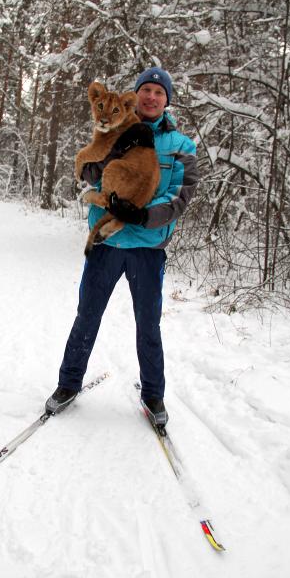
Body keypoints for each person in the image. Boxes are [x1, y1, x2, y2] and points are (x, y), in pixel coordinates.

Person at [45, 67, 199, 428]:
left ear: (167, 100)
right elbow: (89, 173)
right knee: (87, 314)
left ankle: (153, 394)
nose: (151, 97)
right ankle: (68, 384)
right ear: (135, 95)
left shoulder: (182, 146)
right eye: (145, 90)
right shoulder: (113, 124)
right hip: (107, 242)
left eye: (158, 93)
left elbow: (181, 195)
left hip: (148, 246)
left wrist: (141, 215)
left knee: (148, 324)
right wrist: (99, 163)